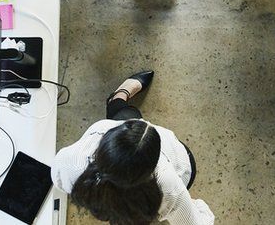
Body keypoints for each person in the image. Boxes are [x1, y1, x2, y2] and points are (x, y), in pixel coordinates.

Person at [52, 70, 214, 225]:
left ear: (105, 145)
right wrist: (193, 205)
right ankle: (118, 98)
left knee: (121, 114)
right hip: (161, 190)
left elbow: (58, 178)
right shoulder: (168, 184)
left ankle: (118, 97)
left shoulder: (81, 151)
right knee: (128, 114)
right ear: (153, 165)